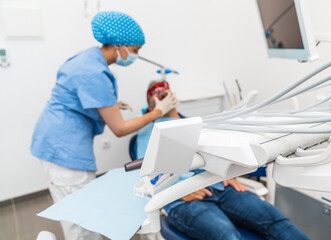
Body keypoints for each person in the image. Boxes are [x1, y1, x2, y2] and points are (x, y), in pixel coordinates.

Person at [31, 12, 176, 240]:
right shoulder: (94, 72)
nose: (135, 56)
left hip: (54, 139)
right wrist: (159, 111)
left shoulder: (88, 58)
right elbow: (119, 129)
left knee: (82, 211)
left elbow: (77, 94)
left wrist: (107, 103)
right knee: (82, 220)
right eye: (135, 50)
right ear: (119, 45)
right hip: (63, 150)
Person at [135, 81, 309, 240]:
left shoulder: (197, 124)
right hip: (183, 199)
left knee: (276, 220)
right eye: (154, 92)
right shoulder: (147, 134)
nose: (160, 91)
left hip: (220, 186)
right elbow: (149, 176)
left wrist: (225, 173)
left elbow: (215, 154)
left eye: (165, 88)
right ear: (150, 107)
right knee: (228, 235)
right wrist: (178, 192)